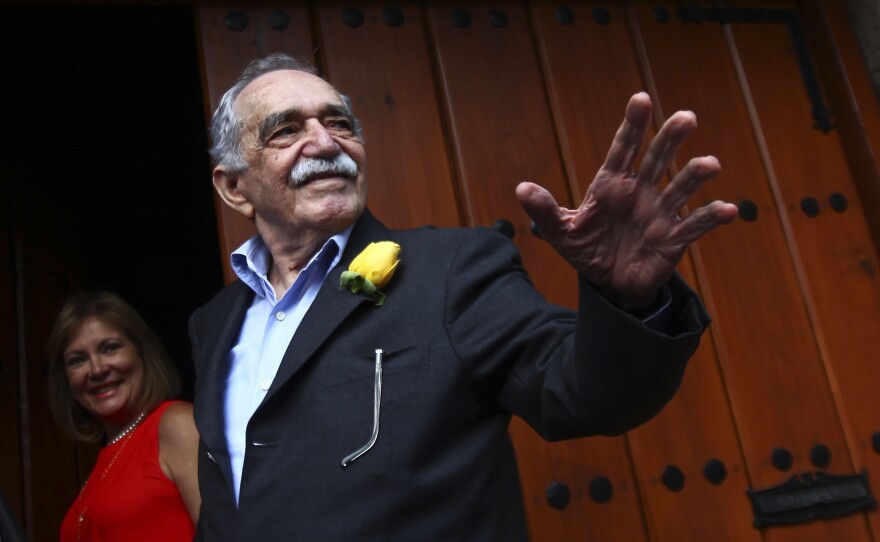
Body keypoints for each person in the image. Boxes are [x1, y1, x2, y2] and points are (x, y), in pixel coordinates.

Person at [189, 53, 738, 540]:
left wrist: (624, 297)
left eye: (339, 124)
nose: (327, 143)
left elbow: (581, 391)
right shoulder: (213, 325)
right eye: (286, 130)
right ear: (234, 187)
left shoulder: (452, 269)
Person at [46, 291, 200, 541]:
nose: (97, 369)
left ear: (141, 352)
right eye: (78, 360)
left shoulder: (175, 424)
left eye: (110, 348)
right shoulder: (105, 459)